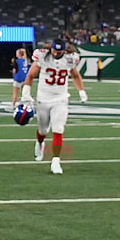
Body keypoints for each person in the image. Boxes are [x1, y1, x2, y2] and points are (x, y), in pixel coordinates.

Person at [21, 38, 87, 175]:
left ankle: (56, 161)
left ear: (64, 50)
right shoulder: (43, 56)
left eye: (59, 51)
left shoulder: (70, 59)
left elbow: (75, 76)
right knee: (43, 130)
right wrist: (26, 94)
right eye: (54, 51)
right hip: (43, 98)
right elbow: (30, 75)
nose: (56, 53)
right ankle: (39, 143)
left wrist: (81, 91)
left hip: (61, 99)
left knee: (58, 129)